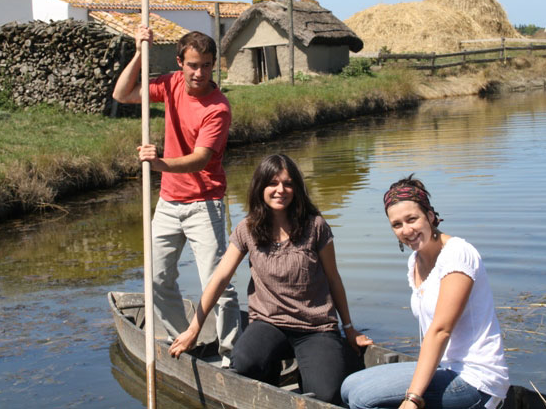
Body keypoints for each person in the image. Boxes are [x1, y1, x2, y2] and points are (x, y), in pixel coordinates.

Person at [169, 154, 373, 404]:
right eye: (273, 183)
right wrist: (194, 329)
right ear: (260, 188)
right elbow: (220, 278)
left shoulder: (315, 226)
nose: (280, 190)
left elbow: (333, 278)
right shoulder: (248, 228)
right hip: (268, 322)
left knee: (326, 395)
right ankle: (272, 378)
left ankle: (306, 371)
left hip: (315, 327)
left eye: (288, 184)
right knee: (243, 367)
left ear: (297, 188)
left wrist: (349, 328)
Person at [112, 26, 241, 365]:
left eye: (207, 66)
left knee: (219, 284)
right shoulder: (170, 84)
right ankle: (181, 338)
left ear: (214, 66)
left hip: (205, 203)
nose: (200, 73)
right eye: (194, 65)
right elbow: (122, 94)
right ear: (180, 63)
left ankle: (231, 355)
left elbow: (200, 158)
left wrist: (158, 163)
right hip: (169, 203)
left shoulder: (218, 107)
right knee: (156, 279)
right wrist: (141, 53)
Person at [341, 175, 509, 409]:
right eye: (397, 224)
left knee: (363, 399)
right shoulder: (415, 261)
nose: (406, 230)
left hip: (475, 380)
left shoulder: (457, 254)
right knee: (349, 386)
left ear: (430, 216)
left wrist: (412, 398)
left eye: (412, 219)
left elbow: (440, 330)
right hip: (444, 367)